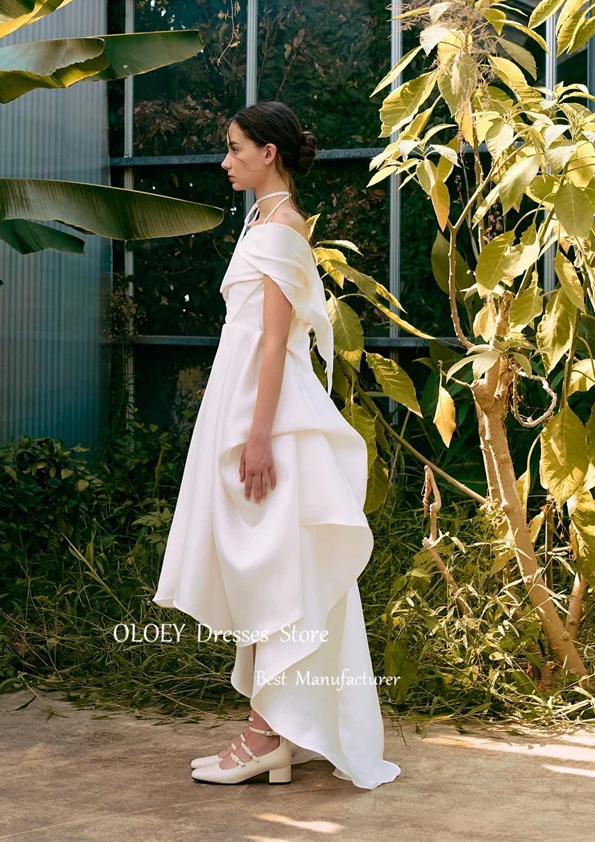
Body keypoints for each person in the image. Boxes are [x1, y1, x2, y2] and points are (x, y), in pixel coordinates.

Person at [153, 100, 401, 790]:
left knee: (270, 566)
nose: (225, 160)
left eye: (234, 148)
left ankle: (267, 737)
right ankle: (275, 730)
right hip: (243, 410)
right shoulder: (264, 223)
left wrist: (257, 438)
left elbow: (272, 341)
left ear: (270, 153)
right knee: (262, 566)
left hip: (265, 420)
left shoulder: (282, 229)